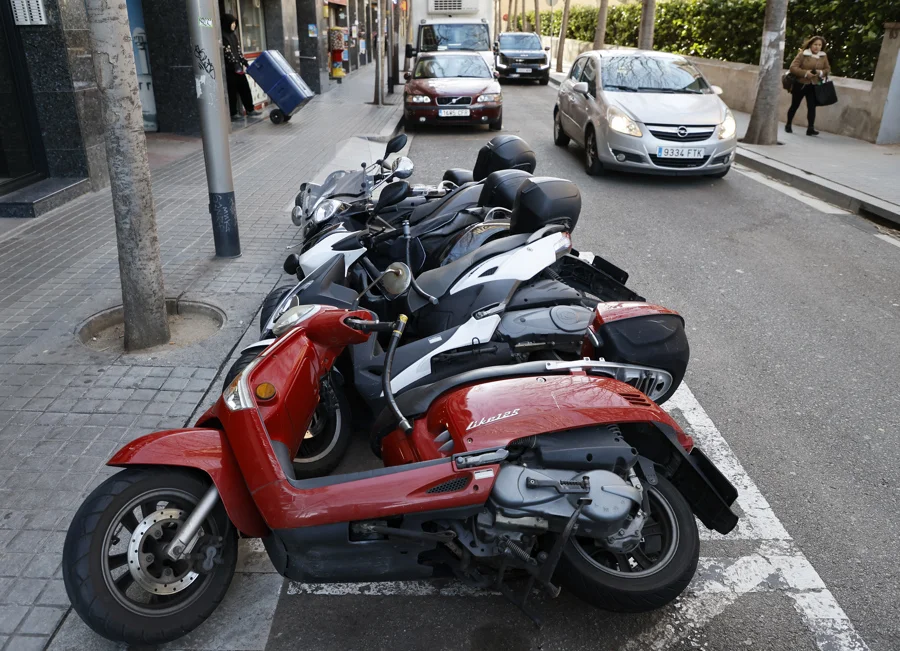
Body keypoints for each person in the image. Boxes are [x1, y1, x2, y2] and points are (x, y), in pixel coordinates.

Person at [786, 36, 831, 136]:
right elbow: (793, 68)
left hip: (813, 85)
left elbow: (827, 69)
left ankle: (810, 128)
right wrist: (805, 73)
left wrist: (820, 72)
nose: (817, 47)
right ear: (811, 44)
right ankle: (788, 124)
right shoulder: (803, 54)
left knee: (812, 106)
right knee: (795, 105)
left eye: (819, 45)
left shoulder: (823, 56)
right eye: (815, 44)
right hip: (800, 84)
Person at [222, 14, 260, 120]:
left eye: (235, 23)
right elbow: (227, 53)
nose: (234, 26)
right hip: (229, 69)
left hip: (237, 68)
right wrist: (234, 64)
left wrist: (244, 62)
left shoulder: (233, 35)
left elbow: (238, 51)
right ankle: (233, 113)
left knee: (245, 88)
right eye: (232, 23)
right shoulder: (223, 36)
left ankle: (250, 109)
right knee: (232, 91)